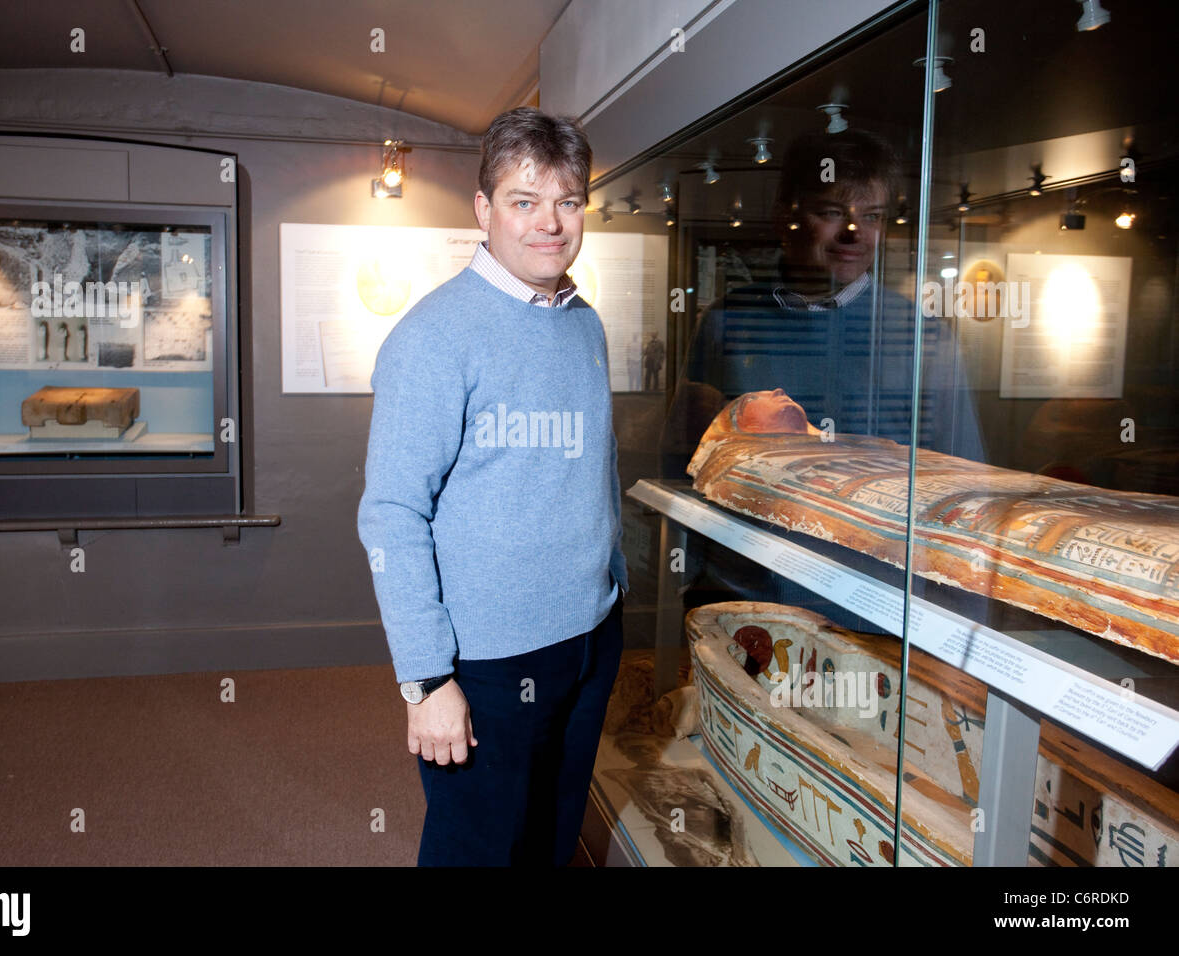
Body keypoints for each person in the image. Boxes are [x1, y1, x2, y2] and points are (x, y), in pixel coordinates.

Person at [357, 107, 628, 867]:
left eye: (568, 202)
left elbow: (592, 464)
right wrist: (426, 678)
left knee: (552, 837)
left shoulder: (585, 324)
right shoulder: (432, 337)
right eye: (525, 201)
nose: (550, 223)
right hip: (488, 662)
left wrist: (614, 587)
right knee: (478, 849)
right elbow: (391, 515)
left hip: (588, 639)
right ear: (483, 210)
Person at [673, 128, 985, 468]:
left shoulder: (923, 335)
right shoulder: (727, 321)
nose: (854, 234)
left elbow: (962, 470)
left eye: (871, 217)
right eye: (833, 212)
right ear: (785, 218)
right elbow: (684, 461)